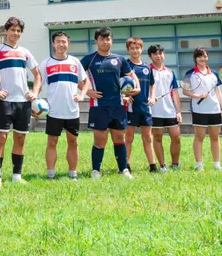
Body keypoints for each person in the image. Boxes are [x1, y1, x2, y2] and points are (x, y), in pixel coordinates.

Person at [0, 17, 42, 189]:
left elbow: (38, 75)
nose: (15, 33)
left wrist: (34, 93)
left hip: (23, 103)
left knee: (20, 138)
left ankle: (16, 176)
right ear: (6, 31)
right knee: (1, 138)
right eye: (12, 30)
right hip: (5, 101)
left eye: (18, 31)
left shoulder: (25, 52)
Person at [80, 26, 139, 180]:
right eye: (102, 39)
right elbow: (76, 77)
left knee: (120, 138)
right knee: (100, 140)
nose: (105, 42)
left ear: (111, 40)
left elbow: (131, 75)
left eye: (108, 39)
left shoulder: (119, 60)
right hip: (99, 106)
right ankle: (95, 171)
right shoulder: (89, 59)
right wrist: (88, 91)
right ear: (96, 41)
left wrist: (137, 87)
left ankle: (124, 170)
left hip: (118, 105)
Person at [38, 32, 89, 181]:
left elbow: (85, 81)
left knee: (73, 141)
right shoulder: (47, 63)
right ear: (53, 44)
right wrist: (35, 98)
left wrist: (82, 95)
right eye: (58, 42)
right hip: (54, 110)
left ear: (68, 44)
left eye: (64, 42)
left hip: (72, 110)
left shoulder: (74, 62)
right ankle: (50, 174)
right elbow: (39, 82)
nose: (61, 44)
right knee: (52, 142)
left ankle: (73, 173)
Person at [183, 47, 222, 171]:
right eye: (200, 56)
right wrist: (197, 96)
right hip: (199, 109)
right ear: (195, 58)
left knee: (215, 137)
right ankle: (199, 164)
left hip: (214, 109)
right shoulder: (189, 73)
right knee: (199, 136)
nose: (203, 59)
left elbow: (218, 91)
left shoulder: (214, 73)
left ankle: (217, 164)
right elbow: (185, 91)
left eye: (205, 56)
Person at [124, 37, 158, 173]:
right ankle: (126, 165)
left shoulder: (146, 67)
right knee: (129, 137)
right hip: (131, 108)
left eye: (137, 48)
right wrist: (125, 96)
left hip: (145, 107)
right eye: (132, 48)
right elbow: (119, 84)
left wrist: (153, 96)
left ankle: (153, 166)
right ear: (128, 50)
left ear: (141, 49)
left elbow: (152, 84)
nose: (135, 50)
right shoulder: (125, 66)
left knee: (148, 137)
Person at [148, 44, 182, 171]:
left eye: (161, 53)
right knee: (157, 137)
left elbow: (175, 93)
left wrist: (178, 111)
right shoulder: (147, 71)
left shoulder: (170, 73)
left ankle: (175, 164)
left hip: (170, 111)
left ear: (164, 55)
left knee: (176, 137)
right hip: (154, 111)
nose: (159, 56)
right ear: (150, 56)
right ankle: (162, 165)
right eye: (155, 54)